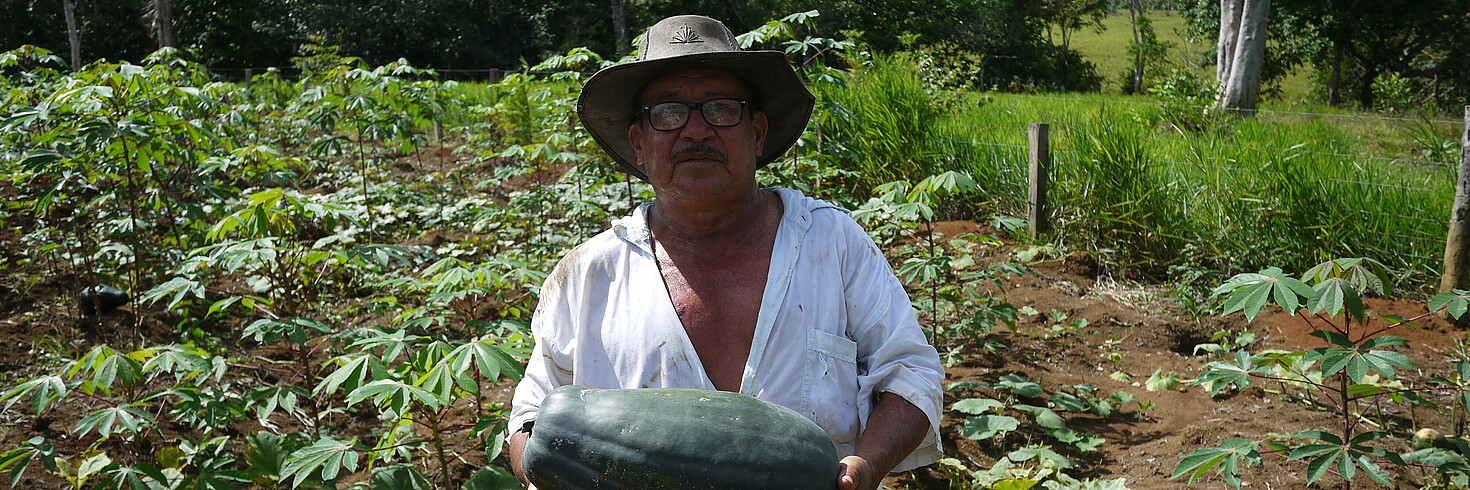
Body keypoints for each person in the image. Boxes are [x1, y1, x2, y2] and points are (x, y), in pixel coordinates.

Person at [507, 15, 944, 490]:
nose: (696, 130)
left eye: (719, 108)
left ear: (757, 132)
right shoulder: (589, 274)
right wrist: (544, 467)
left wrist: (869, 466)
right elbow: (533, 416)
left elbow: (911, 372)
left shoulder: (831, 241)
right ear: (638, 143)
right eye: (668, 113)